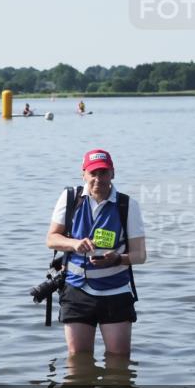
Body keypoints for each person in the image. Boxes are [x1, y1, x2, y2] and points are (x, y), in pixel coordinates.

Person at [46, 149, 146, 356]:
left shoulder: (127, 205)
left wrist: (118, 258)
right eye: (93, 173)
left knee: (119, 358)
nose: (98, 179)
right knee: (78, 358)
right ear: (84, 174)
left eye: (103, 172)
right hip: (76, 291)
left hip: (116, 292)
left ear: (112, 173)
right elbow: (52, 239)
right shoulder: (70, 198)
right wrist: (74, 244)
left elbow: (140, 255)